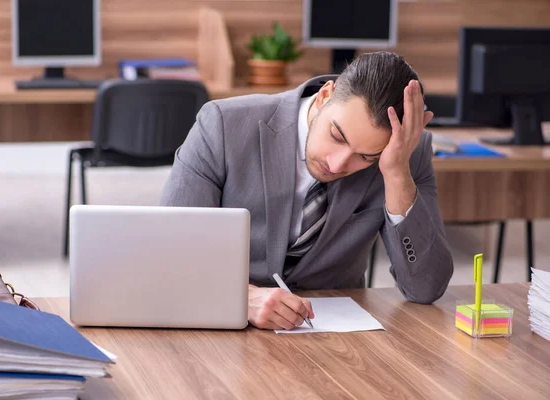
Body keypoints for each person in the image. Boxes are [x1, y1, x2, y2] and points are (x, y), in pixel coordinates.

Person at [159, 51, 454, 330]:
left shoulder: (404, 155)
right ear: (325, 95)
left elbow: (425, 288)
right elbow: (169, 255)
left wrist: (396, 173)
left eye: (366, 157)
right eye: (337, 136)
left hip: (335, 341)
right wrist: (240, 298)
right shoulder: (222, 125)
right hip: (220, 329)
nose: (337, 165)